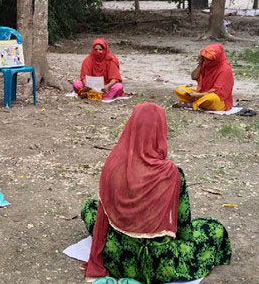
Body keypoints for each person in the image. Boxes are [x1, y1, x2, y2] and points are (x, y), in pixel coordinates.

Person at [82, 103, 231, 282]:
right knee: (214, 228)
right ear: (161, 132)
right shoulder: (171, 174)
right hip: (159, 263)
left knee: (90, 208)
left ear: (131, 127)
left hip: (117, 257)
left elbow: (103, 218)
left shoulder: (112, 166)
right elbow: (184, 229)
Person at [174, 44, 234, 111]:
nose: (206, 60)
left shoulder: (225, 69)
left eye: (209, 59)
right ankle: (198, 103)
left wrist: (198, 95)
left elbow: (217, 92)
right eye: (205, 58)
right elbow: (194, 77)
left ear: (217, 59)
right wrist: (200, 63)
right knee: (179, 89)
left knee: (211, 98)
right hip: (201, 94)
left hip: (219, 100)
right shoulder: (205, 64)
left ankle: (192, 105)